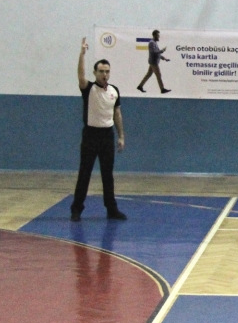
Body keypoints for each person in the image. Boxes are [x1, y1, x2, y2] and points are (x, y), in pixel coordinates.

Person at [70, 38, 127, 222]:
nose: (104, 74)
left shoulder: (114, 91)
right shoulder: (88, 89)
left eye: (107, 71)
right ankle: (76, 209)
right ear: (95, 73)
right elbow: (80, 76)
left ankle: (111, 209)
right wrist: (82, 54)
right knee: (84, 173)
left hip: (107, 136)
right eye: (101, 71)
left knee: (107, 175)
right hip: (90, 136)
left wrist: (121, 136)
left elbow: (117, 114)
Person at [136, 29, 171, 94]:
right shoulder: (152, 43)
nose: (159, 37)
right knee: (158, 75)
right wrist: (162, 50)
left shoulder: (154, 43)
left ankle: (140, 86)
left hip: (153, 61)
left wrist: (164, 58)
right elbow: (154, 52)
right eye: (158, 35)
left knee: (148, 74)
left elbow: (157, 53)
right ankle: (162, 89)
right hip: (154, 62)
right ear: (154, 35)